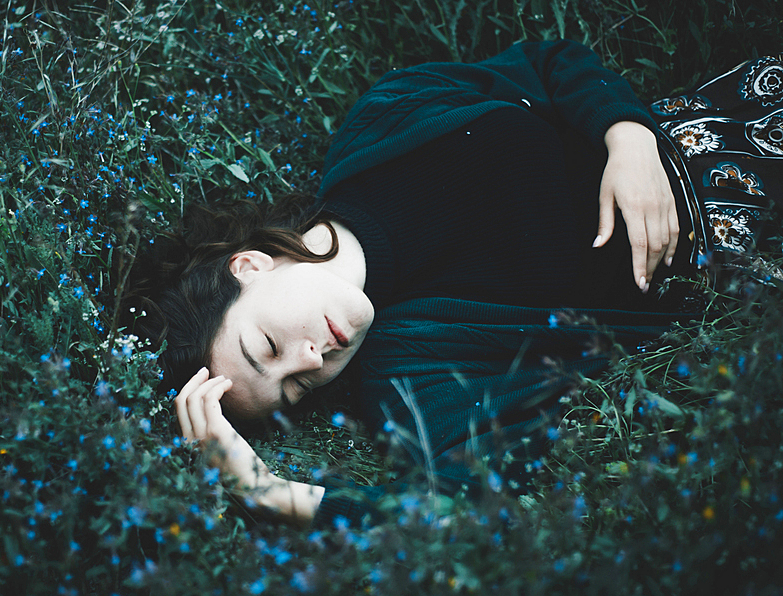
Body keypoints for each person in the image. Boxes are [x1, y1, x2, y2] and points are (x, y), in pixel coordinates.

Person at [129, 40, 783, 529]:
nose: (312, 361)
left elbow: (547, 65)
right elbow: (456, 515)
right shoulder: (413, 371)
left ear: (250, 266)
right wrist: (273, 493)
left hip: (720, 116)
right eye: (295, 387)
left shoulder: (383, 125)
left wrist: (627, 132)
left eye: (266, 346)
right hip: (742, 256)